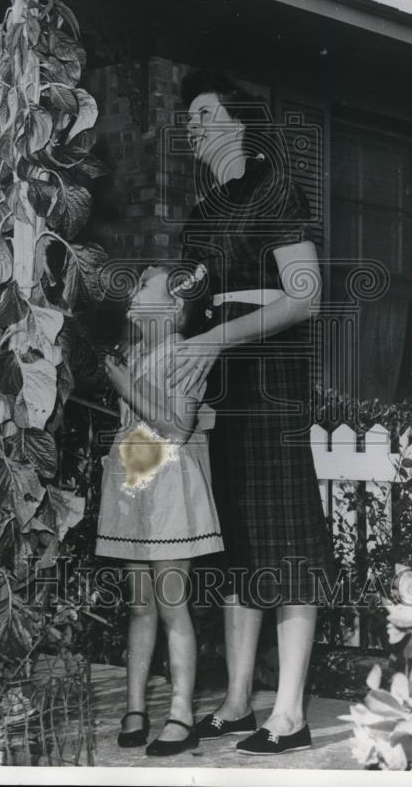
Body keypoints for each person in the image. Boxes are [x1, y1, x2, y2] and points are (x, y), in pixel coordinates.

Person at [170, 69, 337, 756]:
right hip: (221, 393)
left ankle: (290, 714)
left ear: (239, 124)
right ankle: (239, 700)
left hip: (269, 386)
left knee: (285, 542)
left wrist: (212, 332)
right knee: (237, 543)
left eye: (204, 114)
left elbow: (304, 296)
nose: (193, 126)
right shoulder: (205, 212)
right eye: (188, 119)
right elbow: (196, 301)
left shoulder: (275, 190)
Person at [95, 263, 223, 757]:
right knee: (139, 604)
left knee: (172, 605)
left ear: (172, 307)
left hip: (168, 489)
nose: (133, 289)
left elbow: (175, 430)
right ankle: (135, 707)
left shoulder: (186, 354)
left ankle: (182, 711)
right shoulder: (134, 353)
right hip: (134, 483)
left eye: (145, 284)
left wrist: (125, 386)